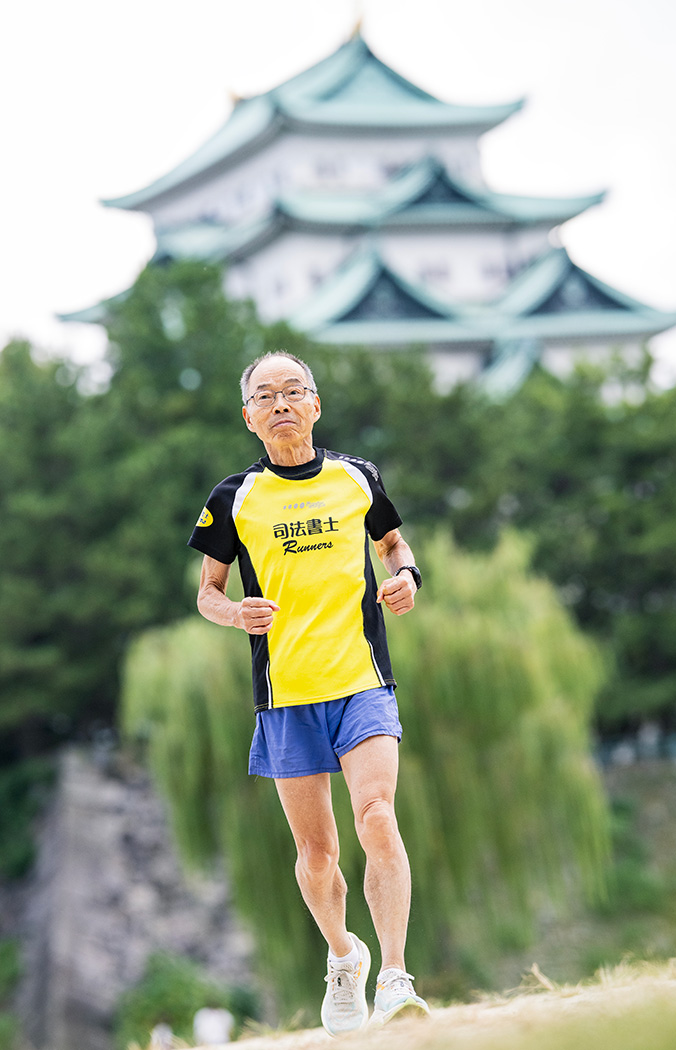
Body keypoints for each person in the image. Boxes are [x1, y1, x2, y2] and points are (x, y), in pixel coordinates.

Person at [187, 350, 429, 1036]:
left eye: (295, 391)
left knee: (377, 814)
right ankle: (343, 956)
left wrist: (410, 578)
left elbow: (395, 547)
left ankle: (395, 976)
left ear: (317, 405)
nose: (283, 404)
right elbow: (206, 593)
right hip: (286, 694)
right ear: (249, 417)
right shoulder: (233, 498)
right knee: (318, 857)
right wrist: (235, 613)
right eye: (267, 396)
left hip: (363, 681)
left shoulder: (358, 478)